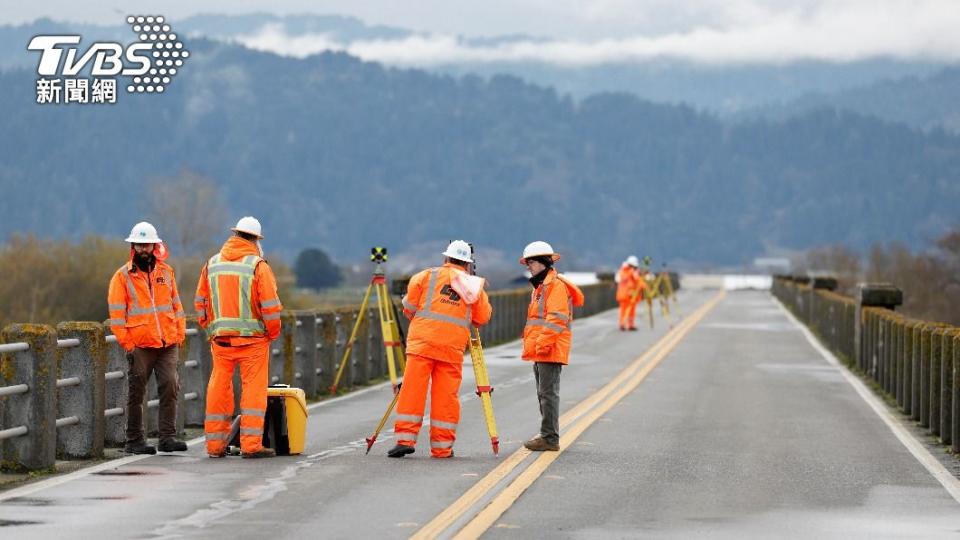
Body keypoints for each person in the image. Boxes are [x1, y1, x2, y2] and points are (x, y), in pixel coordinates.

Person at [388, 240, 493, 458]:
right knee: (446, 397)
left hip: (422, 344)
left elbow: (408, 307)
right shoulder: (473, 285)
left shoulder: (425, 276)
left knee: (412, 391)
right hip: (451, 349)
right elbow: (482, 317)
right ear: (468, 263)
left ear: (446, 258)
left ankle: (405, 439)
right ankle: (442, 447)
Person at [195, 217, 283, 459]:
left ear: (234, 235)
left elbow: (200, 303)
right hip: (253, 341)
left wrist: (210, 327)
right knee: (253, 391)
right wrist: (272, 333)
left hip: (221, 340)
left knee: (218, 389)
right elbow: (271, 308)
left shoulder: (211, 263)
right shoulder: (258, 266)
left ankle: (215, 446)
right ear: (255, 240)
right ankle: (251, 445)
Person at [107, 221, 187, 454]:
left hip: (167, 343)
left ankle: (167, 438)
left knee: (171, 386)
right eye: (139, 245)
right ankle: (134, 441)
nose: (143, 249)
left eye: (147, 244)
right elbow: (117, 316)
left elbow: (176, 306)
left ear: (155, 245)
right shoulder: (121, 277)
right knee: (137, 392)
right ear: (133, 246)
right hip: (140, 345)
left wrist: (179, 333)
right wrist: (129, 345)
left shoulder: (167, 272)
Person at [519, 241, 584, 452]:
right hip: (542, 349)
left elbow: (556, 319)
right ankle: (547, 434)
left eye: (531, 262)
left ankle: (549, 437)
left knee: (547, 394)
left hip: (549, 348)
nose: (528, 266)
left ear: (543, 263)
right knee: (544, 393)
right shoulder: (542, 287)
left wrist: (541, 344)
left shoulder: (554, 286)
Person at [615, 255, 646, 331]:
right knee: (626, 310)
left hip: (627, 295)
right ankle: (624, 324)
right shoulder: (627, 271)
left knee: (628, 310)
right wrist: (633, 274)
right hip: (626, 295)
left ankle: (628, 324)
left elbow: (637, 281)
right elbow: (635, 280)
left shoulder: (627, 271)